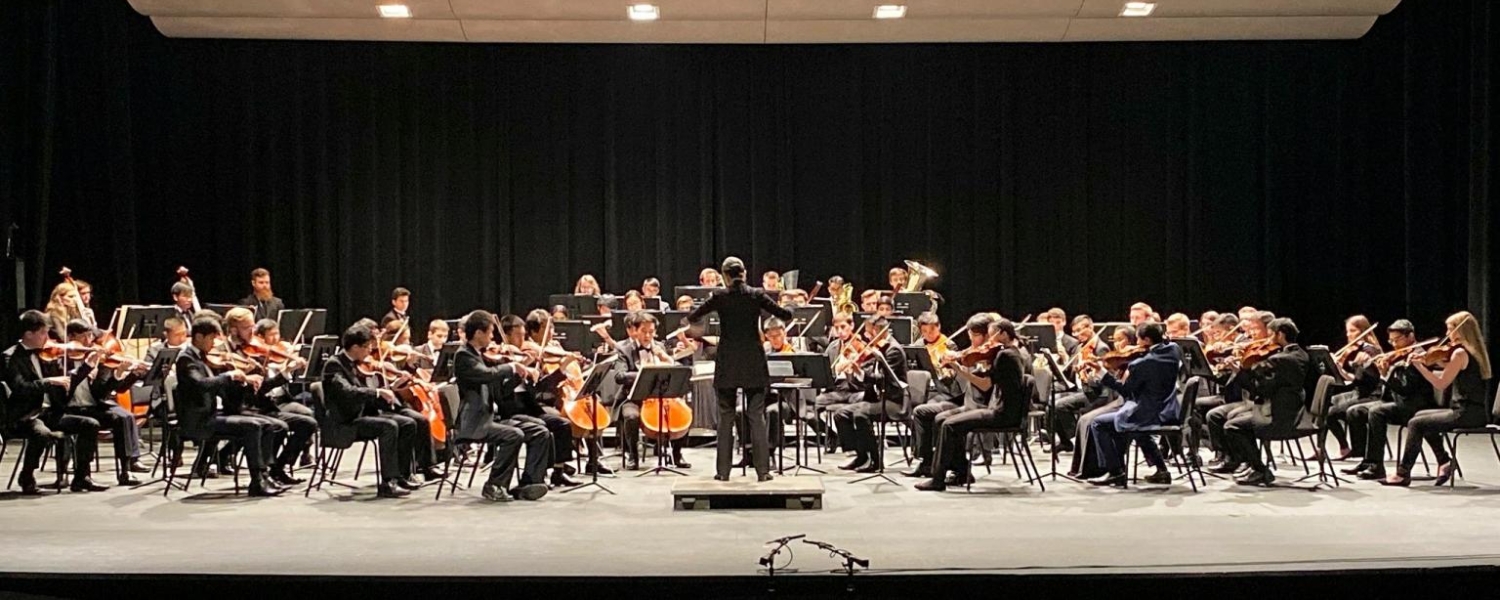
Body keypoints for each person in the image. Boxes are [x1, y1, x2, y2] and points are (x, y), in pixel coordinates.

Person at [687, 256, 794, 481]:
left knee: (725, 418)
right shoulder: (756, 295)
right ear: (743, 273)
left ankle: (723, 473)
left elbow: (693, 316)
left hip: (727, 362)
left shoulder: (719, 296)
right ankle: (763, 472)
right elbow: (786, 315)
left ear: (725, 276)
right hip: (753, 362)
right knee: (756, 416)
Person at [176, 317, 286, 496]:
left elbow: (217, 386)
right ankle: (257, 481)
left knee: (268, 425)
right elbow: (201, 384)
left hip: (213, 414)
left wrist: (245, 379)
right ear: (199, 337)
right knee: (253, 426)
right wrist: (230, 376)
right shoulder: (186, 359)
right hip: (200, 420)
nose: (213, 344)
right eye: (211, 338)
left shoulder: (202, 358)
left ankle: (265, 475)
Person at [1382, 311, 1492, 487]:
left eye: (1450, 329)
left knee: (1416, 423)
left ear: (1460, 330)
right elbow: (1447, 366)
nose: (1448, 334)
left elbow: (1441, 383)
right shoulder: (1473, 351)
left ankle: (1403, 473)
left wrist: (1419, 366)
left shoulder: (1460, 354)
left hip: (1465, 413)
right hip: (1475, 412)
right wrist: (1428, 360)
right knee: (1420, 416)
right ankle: (1445, 462)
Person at [916, 319, 1028, 491]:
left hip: (1001, 413)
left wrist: (959, 370)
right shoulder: (1008, 353)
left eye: (992, 337)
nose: (989, 342)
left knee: (949, 424)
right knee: (941, 420)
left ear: (1004, 334)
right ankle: (960, 471)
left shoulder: (1006, 355)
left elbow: (985, 385)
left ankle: (938, 479)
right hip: (999, 409)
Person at [452, 311, 551, 501]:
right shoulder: (464, 356)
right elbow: (486, 375)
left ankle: (528, 483)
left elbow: (500, 386)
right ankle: (494, 485)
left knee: (540, 432)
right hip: (474, 422)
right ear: (479, 333)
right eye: (489, 333)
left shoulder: (479, 355)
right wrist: (513, 366)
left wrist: (517, 372)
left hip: (490, 417)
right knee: (513, 435)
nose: (492, 337)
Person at [5, 311, 106, 494]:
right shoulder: (10, 357)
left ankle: (81, 477)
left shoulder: (47, 356)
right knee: (41, 433)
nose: (48, 338)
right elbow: (20, 388)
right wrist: (49, 382)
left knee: (90, 424)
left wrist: (87, 367)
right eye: (43, 333)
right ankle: (27, 476)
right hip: (25, 416)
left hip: (50, 413)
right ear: (29, 334)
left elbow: (66, 384)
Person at [320, 324, 421, 498]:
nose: (370, 351)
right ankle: (388, 483)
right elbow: (347, 392)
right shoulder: (334, 365)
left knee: (408, 423)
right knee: (388, 426)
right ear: (355, 347)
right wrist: (376, 392)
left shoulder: (357, 364)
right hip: (345, 422)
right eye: (367, 347)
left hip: (362, 415)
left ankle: (401, 475)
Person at [1083, 322, 1182, 487]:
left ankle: (1115, 472)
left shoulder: (1141, 364)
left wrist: (1101, 371)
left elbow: (1126, 391)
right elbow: (1166, 343)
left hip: (1149, 413)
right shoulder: (1173, 350)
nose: (1135, 345)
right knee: (1138, 428)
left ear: (1147, 340)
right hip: (1168, 409)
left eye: (1138, 340)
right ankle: (1162, 470)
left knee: (1098, 423)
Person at [1219, 318, 1311, 486]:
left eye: (1270, 334)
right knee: (1236, 418)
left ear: (1280, 334)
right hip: (1292, 409)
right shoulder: (1301, 354)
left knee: (1232, 426)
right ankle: (1253, 466)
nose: (1268, 339)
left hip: (1278, 415)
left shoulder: (1280, 359)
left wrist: (1241, 372)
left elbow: (1259, 390)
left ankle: (1260, 469)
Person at [1342, 320, 1436, 480]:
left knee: (1376, 412)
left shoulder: (1419, 356)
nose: (1393, 344)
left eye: (1397, 339)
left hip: (1412, 404)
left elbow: (1406, 389)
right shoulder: (1399, 355)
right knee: (1355, 411)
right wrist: (1380, 370)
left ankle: (1377, 466)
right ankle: (1366, 460)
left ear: (1410, 336)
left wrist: (1386, 373)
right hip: (1394, 400)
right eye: (1391, 340)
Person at [62, 319, 151, 484]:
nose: (89, 341)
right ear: (70, 337)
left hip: (94, 405)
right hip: (70, 408)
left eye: (90, 335)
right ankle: (83, 475)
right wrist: (86, 368)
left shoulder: (98, 360)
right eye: (83, 336)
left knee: (124, 417)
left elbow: (103, 392)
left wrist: (121, 372)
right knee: (92, 423)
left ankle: (126, 470)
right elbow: (65, 387)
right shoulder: (61, 359)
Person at [495, 313, 579, 487]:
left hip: (529, 408)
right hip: (509, 410)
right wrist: (519, 370)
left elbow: (541, 387)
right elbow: (502, 390)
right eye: (518, 336)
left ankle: (558, 471)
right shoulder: (499, 361)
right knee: (542, 427)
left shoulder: (525, 358)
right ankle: (536, 475)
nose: (522, 341)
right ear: (506, 335)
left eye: (523, 336)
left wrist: (560, 369)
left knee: (562, 424)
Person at [904, 313, 991, 479]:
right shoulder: (974, 352)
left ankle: (955, 468)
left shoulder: (995, 355)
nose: (971, 341)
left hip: (967, 400)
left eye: (974, 336)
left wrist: (954, 369)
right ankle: (927, 461)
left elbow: (976, 384)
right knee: (921, 412)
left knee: (943, 419)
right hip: (962, 398)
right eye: (970, 336)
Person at [612, 311, 693, 470]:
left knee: (684, 412)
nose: (648, 336)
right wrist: (645, 373)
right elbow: (620, 376)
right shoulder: (623, 349)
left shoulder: (660, 346)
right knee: (631, 416)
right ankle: (633, 456)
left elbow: (672, 372)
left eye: (651, 332)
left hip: (660, 397)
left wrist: (665, 359)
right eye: (644, 331)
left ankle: (677, 454)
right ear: (634, 331)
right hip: (633, 397)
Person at [832, 315, 907, 474]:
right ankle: (860, 455)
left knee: (860, 414)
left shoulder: (893, 350)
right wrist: (857, 370)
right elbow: (868, 379)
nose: (866, 337)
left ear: (879, 331)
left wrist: (863, 373)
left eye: (869, 333)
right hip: (877, 398)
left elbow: (883, 379)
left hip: (893, 400)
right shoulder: (878, 348)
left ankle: (875, 460)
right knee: (841, 414)